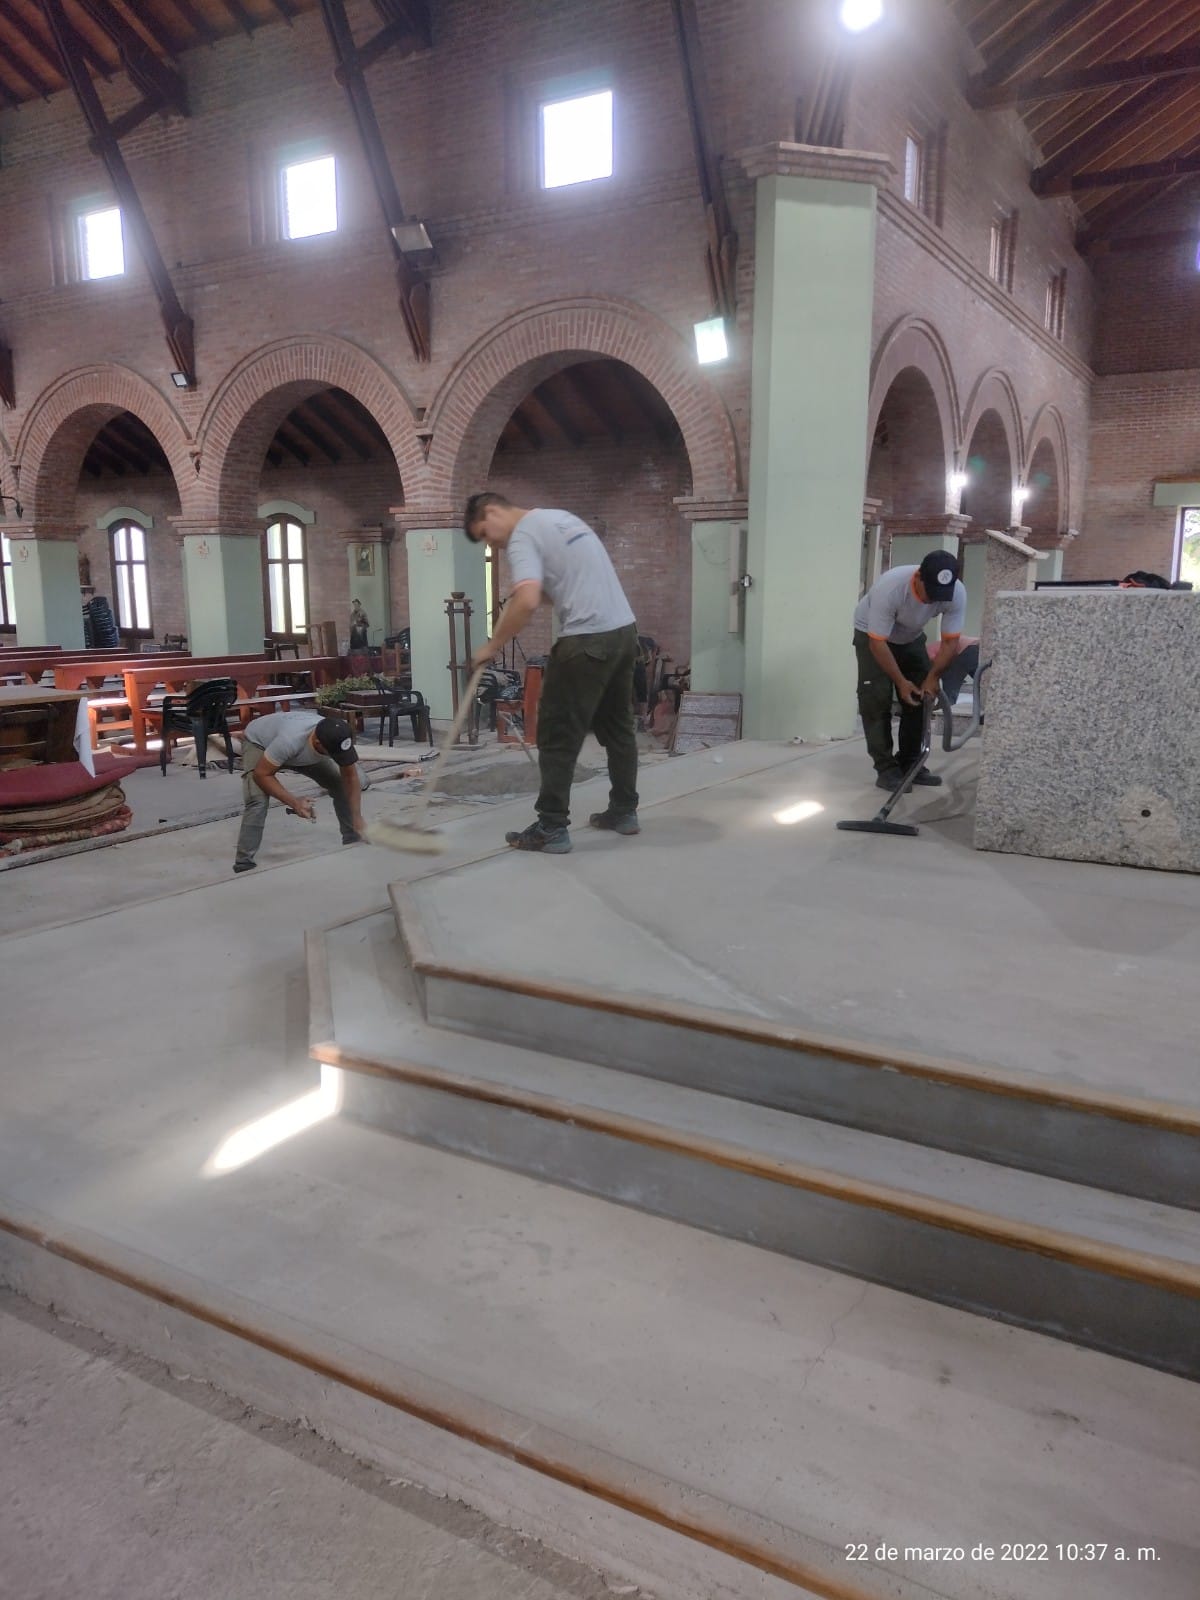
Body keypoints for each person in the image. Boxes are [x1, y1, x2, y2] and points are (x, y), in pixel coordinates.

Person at [463, 492, 639, 854]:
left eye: (485, 534)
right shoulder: (560, 518)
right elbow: (550, 589)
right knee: (618, 728)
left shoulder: (523, 534)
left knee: (557, 733)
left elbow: (528, 601)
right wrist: (521, 596)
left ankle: (551, 827)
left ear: (492, 512)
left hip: (586, 640)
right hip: (623, 633)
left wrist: (492, 646)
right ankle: (624, 811)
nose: (492, 545)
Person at [853, 551, 967, 789]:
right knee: (876, 697)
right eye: (930, 593)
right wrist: (900, 681)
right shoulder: (891, 588)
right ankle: (886, 769)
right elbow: (878, 643)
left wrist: (933, 678)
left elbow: (950, 642)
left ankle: (911, 763)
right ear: (918, 577)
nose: (933, 601)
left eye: (940, 596)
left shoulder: (956, 593)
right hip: (873, 636)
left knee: (922, 696)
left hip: (910, 637)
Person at [233, 710, 365, 873]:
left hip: (294, 751)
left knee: (340, 785)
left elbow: (350, 777)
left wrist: (357, 817)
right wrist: (295, 803)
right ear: (318, 743)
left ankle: (352, 839)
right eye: (333, 754)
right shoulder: (290, 740)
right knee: (257, 799)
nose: (337, 758)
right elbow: (262, 775)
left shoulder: (335, 735)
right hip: (260, 743)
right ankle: (244, 863)